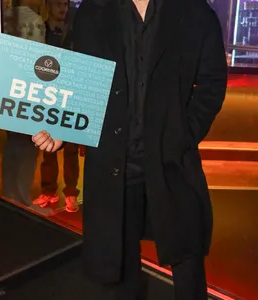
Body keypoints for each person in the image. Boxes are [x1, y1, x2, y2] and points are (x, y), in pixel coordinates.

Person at [33, 0, 227, 299]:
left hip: (171, 161)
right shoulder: (93, 12)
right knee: (120, 272)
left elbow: (212, 84)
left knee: (187, 262)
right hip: (114, 164)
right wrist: (63, 127)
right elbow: (78, 81)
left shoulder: (194, 12)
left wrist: (182, 134)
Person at [31, 0, 81, 212]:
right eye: (58, 4)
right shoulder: (37, 30)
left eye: (65, 5)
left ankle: (70, 193)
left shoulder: (75, 32)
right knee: (47, 149)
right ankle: (48, 191)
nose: (62, 9)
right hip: (46, 95)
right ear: (48, 6)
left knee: (70, 150)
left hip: (68, 95)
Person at [1, 0, 45, 206]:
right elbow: (40, 58)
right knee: (28, 147)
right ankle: (22, 197)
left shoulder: (4, 18)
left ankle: (9, 192)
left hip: (9, 88)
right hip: (29, 90)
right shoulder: (34, 21)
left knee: (12, 144)